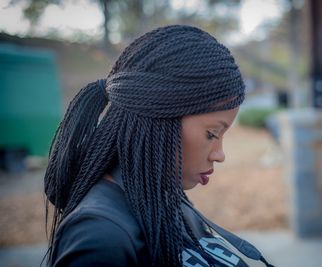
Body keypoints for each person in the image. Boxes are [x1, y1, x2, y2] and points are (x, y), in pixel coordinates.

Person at [44, 25, 274, 267]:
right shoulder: (99, 235)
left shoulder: (162, 197)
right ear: (159, 119)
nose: (220, 155)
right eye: (212, 133)